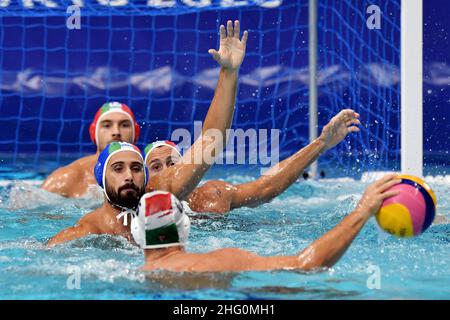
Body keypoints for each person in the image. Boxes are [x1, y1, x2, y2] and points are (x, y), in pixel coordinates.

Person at [47, 19, 249, 246]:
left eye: (136, 168)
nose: (128, 176)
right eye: (118, 168)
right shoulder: (86, 232)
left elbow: (212, 139)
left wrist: (228, 72)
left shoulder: (163, 192)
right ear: (100, 178)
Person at [134, 174, 402, 272]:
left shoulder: (127, 275)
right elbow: (306, 264)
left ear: (136, 232)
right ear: (186, 227)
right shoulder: (220, 261)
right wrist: (362, 211)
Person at [144, 109, 361, 213]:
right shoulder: (129, 216)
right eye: (156, 167)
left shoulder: (212, 195)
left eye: (173, 164)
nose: (166, 172)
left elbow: (265, 187)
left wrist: (321, 143)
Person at [40, 101, 139, 198]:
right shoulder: (66, 179)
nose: (116, 132)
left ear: (136, 133)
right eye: (107, 125)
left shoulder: (148, 173)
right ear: (94, 132)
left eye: (125, 125)